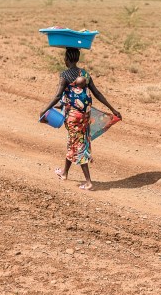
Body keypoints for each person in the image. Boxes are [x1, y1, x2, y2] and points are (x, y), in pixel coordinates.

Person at [39, 47, 121, 190]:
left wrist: (44, 109)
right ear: (77, 59)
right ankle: (64, 172)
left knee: (79, 145)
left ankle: (88, 182)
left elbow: (58, 95)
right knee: (74, 141)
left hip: (73, 117)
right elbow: (97, 93)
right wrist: (112, 108)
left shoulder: (65, 75)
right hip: (84, 116)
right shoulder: (85, 74)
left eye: (65, 57)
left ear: (67, 59)